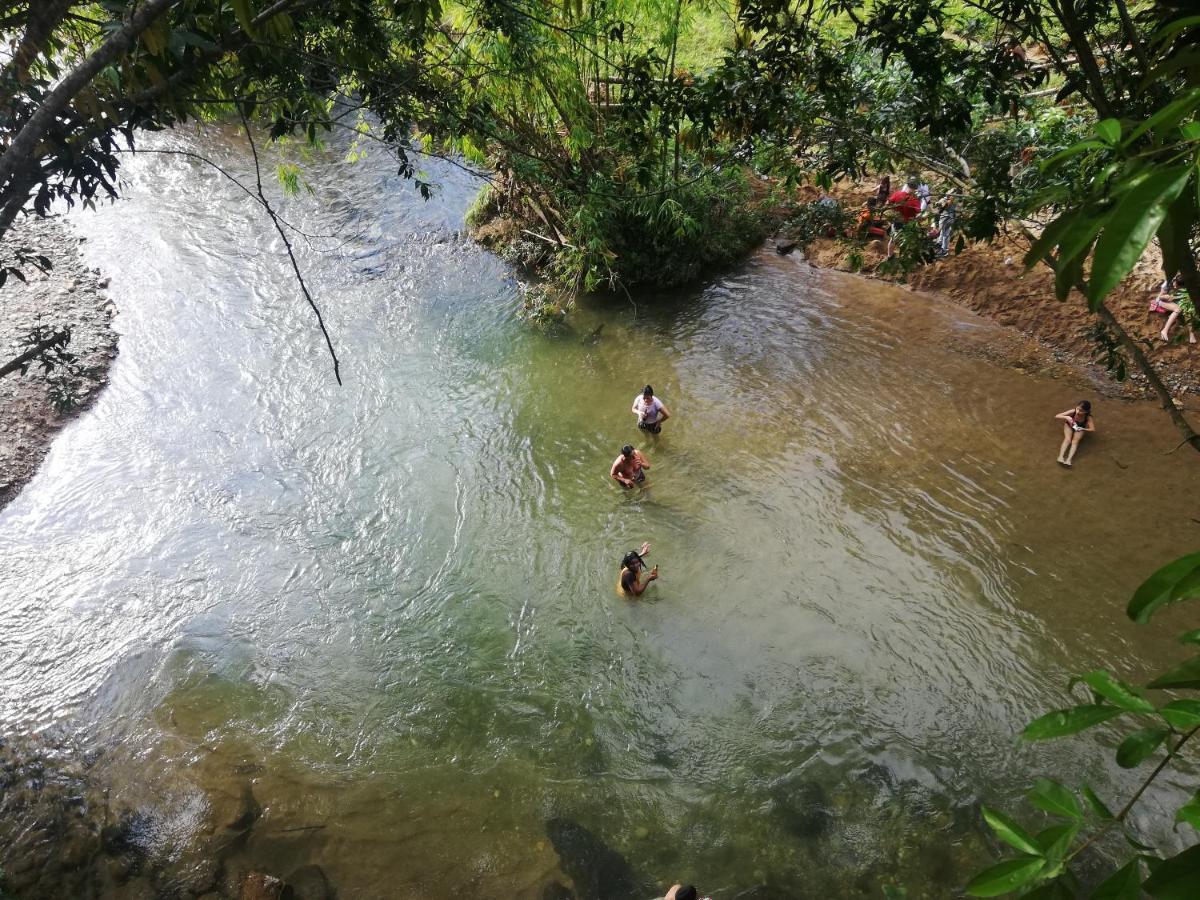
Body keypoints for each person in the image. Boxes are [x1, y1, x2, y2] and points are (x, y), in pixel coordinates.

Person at [1151, 275, 1197, 345]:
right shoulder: (1167, 283)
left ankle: (1191, 335)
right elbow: (1160, 297)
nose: (1175, 287)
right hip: (1163, 300)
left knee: (1188, 309)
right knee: (1178, 309)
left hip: (1176, 300)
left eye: (1178, 287)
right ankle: (1164, 330)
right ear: (1174, 281)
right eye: (1175, 285)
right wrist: (1166, 297)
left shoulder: (1185, 287)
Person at [1055, 400, 1095, 467]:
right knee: (1067, 439)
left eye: (1081, 411)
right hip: (1069, 426)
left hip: (1080, 427)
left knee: (1075, 441)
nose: (1078, 412)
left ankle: (1069, 460)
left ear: (1086, 411)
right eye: (1078, 409)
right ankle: (1060, 457)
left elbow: (1092, 429)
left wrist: (1083, 429)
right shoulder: (1073, 411)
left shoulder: (1088, 417)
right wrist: (1066, 417)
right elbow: (1057, 416)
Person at [935, 192, 958, 258]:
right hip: (950, 219)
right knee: (944, 233)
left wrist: (941, 202)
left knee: (944, 234)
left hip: (945, 219)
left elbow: (938, 205)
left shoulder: (946, 200)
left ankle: (944, 251)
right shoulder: (955, 202)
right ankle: (941, 246)